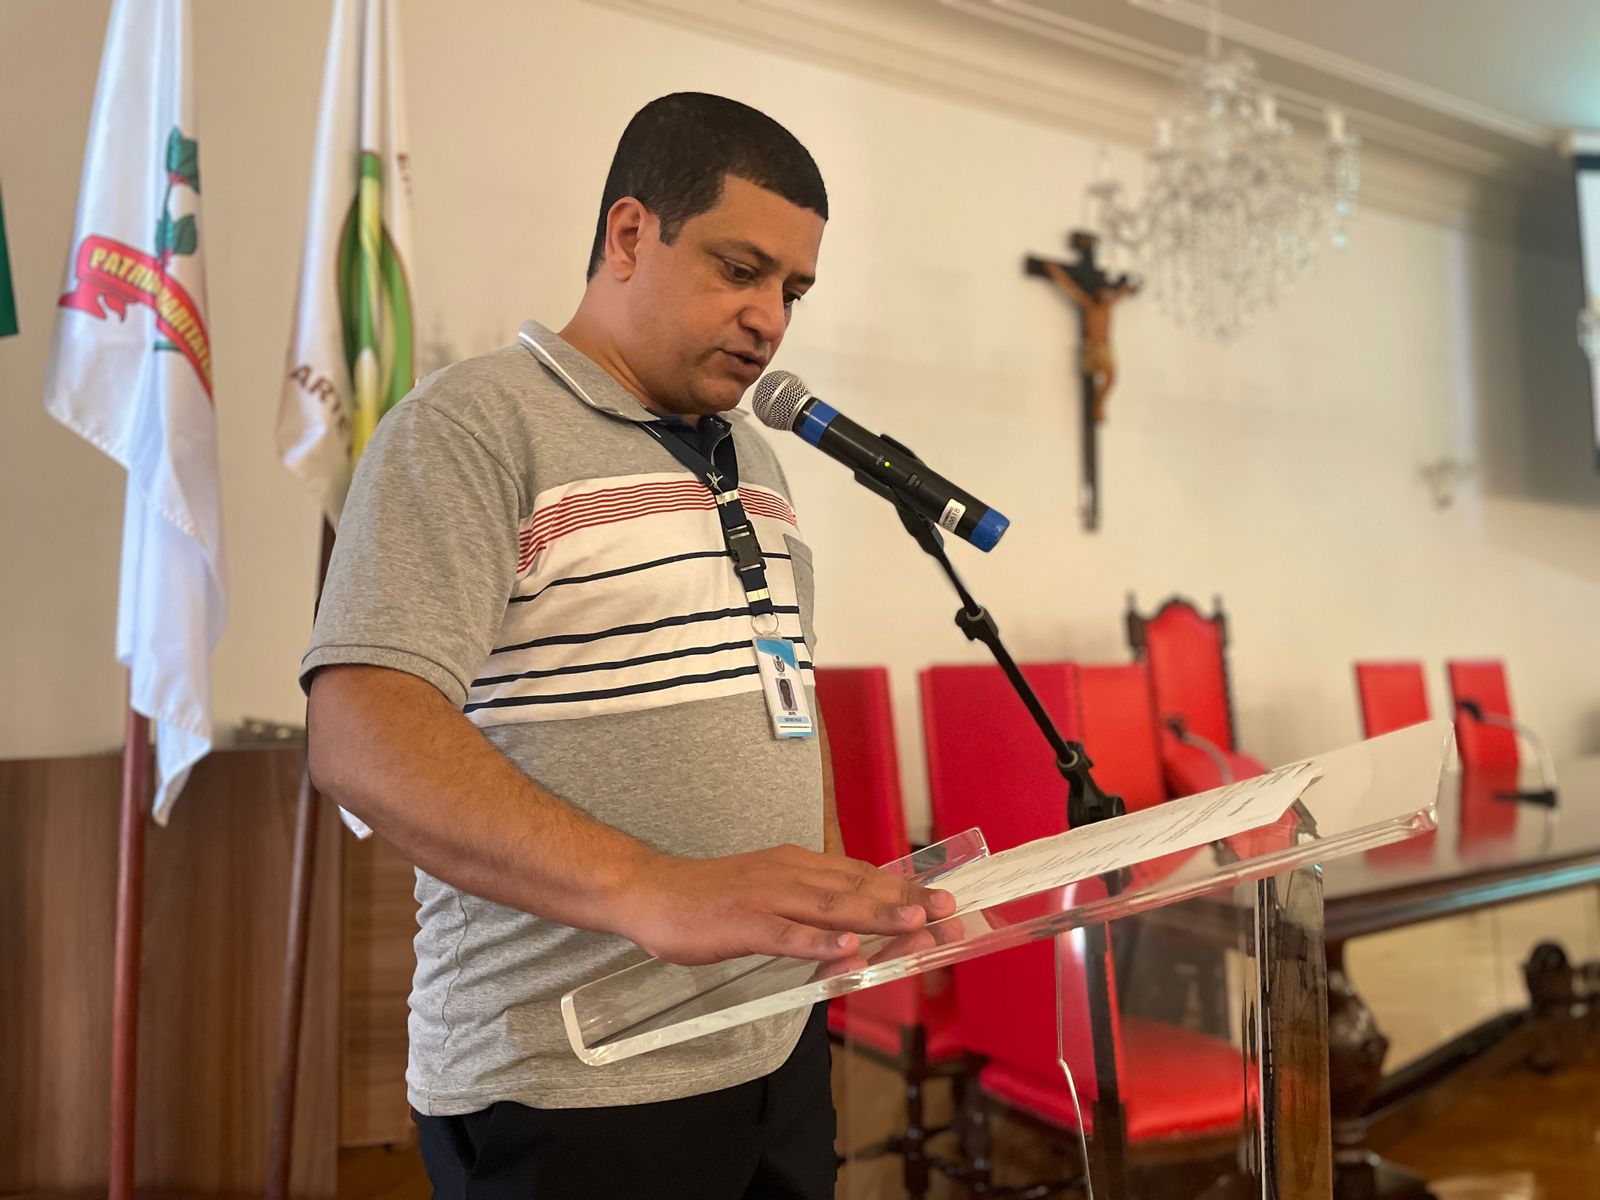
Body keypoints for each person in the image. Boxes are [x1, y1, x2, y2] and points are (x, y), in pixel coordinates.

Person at [302, 92, 954, 1199]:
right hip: (570, 1083)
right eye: (740, 270)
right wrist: (651, 887)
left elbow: (779, 696)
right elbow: (359, 731)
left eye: (792, 292)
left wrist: (843, 899)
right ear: (629, 234)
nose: (769, 320)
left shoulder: (754, 455)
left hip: (773, 1046)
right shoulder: (469, 427)